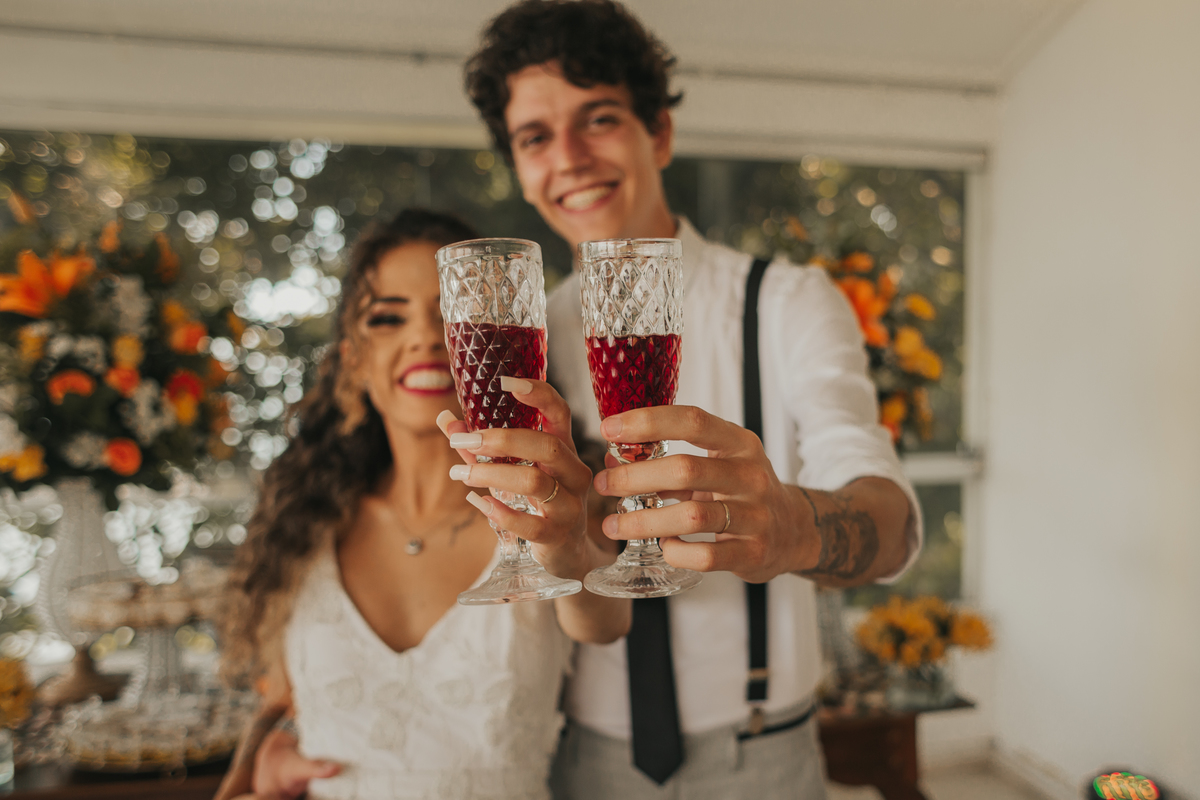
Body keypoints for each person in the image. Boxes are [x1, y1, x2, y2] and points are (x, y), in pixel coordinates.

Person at [257, 1, 923, 797]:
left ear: (660, 134)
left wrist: (791, 527)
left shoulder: (782, 303)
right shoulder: (507, 333)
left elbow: (894, 526)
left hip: (756, 758)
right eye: (536, 137)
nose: (569, 157)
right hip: (575, 763)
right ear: (518, 164)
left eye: (598, 119)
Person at [214, 208, 629, 800]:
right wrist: (268, 750)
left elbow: (607, 624)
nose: (425, 337)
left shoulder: (553, 505)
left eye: (450, 314)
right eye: (387, 317)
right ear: (353, 357)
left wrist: (564, 546)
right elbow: (281, 696)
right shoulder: (301, 521)